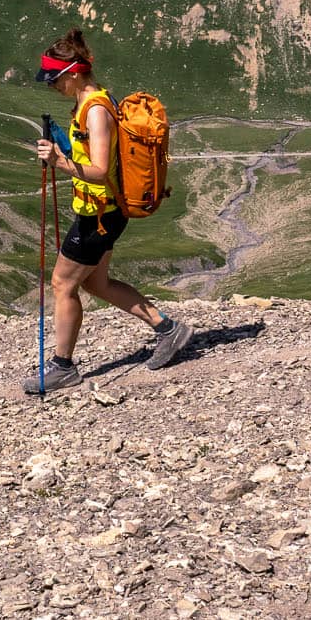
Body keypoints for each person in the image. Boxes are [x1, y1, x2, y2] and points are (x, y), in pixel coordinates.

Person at [25, 28, 192, 394]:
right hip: (104, 211)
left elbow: (100, 171)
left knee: (62, 283)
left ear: (72, 73)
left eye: (54, 80)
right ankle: (168, 329)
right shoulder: (92, 103)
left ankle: (62, 366)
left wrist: (59, 161)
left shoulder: (96, 110)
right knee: (96, 283)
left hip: (98, 214)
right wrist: (64, 145)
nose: (51, 87)